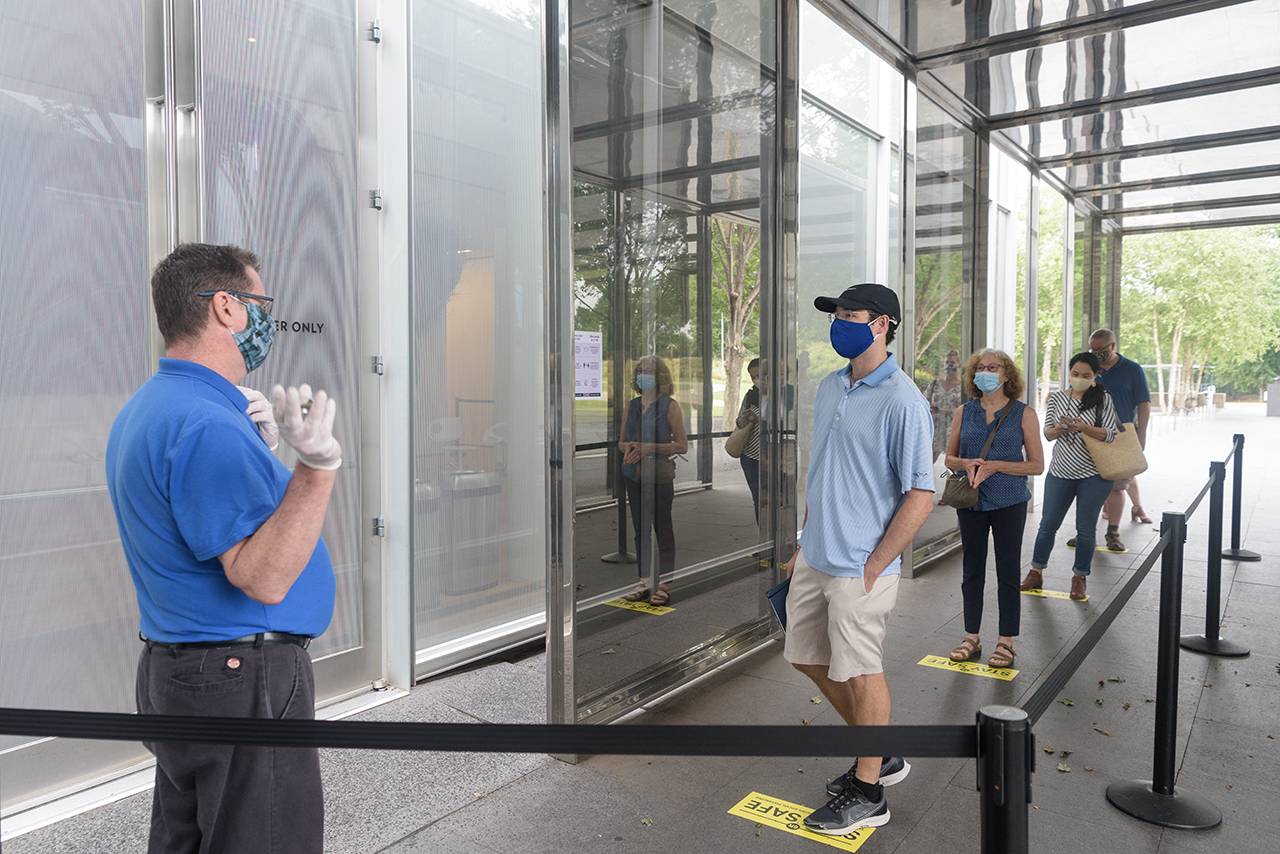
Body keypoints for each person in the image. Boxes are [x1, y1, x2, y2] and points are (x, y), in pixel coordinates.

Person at [105, 243, 342, 853]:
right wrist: (316, 467)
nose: (268, 318)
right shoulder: (206, 422)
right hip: (242, 679)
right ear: (227, 308)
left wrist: (256, 454)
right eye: (261, 303)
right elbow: (262, 576)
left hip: (181, 672)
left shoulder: (149, 408)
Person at [783, 283, 934, 836]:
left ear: (883, 324)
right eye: (836, 314)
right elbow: (823, 469)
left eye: (851, 314)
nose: (840, 322)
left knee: (861, 669)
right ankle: (879, 749)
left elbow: (921, 494)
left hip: (860, 565)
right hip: (817, 552)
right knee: (804, 655)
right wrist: (805, 537)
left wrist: (876, 565)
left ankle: (870, 790)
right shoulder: (829, 387)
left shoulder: (903, 400)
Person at [943, 349, 1044, 668]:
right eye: (980, 368)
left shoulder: (1024, 413)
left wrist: (996, 466)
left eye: (993, 367)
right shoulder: (964, 411)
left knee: (1007, 571)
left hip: (1009, 502)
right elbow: (949, 458)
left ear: (1006, 375)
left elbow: (1037, 465)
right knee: (971, 570)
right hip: (971, 502)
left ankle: (1006, 641)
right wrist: (966, 463)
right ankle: (971, 637)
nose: (986, 372)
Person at [1021, 352, 1118, 600]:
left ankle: (1079, 578)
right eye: (1075, 374)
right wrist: (1062, 428)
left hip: (1094, 473)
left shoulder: (1103, 399)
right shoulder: (1056, 399)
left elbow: (1109, 434)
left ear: (1096, 375)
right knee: (1047, 525)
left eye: (1086, 375)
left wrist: (1082, 427)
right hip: (1061, 471)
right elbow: (1048, 434)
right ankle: (1036, 571)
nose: (1079, 379)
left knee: (1086, 529)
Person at [619, 355, 689, 606]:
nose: (642, 375)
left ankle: (665, 583)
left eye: (647, 371)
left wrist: (649, 447)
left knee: (663, 527)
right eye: (639, 370)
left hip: (658, 476)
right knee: (640, 529)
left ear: (660, 376)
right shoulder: (632, 405)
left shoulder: (670, 406)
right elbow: (621, 441)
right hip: (633, 474)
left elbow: (682, 445)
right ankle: (644, 580)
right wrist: (630, 447)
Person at [1087, 328, 1153, 548]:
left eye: (1101, 350)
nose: (1096, 353)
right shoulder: (1088, 368)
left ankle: (1112, 533)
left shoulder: (1132, 370)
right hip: (1090, 434)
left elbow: (1144, 403)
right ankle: (1084, 531)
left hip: (1121, 435)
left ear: (1113, 346)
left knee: (1117, 485)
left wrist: (1141, 436)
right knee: (1088, 485)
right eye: (1092, 349)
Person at [735, 357, 763, 522]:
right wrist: (743, 420)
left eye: (759, 375)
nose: (756, 380)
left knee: (780, 499)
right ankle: (763, 535)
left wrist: (761, 420)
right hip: (751, 457)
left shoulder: (783, 394)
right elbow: (738, 420)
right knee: (759, 498)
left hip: (776, 456)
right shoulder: (751, 395)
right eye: (753, 377)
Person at [924, 349, 963, 461]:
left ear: (958, 366)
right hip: (934, 430)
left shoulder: (962, 388)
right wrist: (930, 408)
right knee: (927, 463)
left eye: (952, 363)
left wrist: (952, 411)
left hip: (953, 431)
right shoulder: (934, 384)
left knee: (952, 465)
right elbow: (924, 402)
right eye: (947, 363)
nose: (949, 365)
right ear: (943, 365)